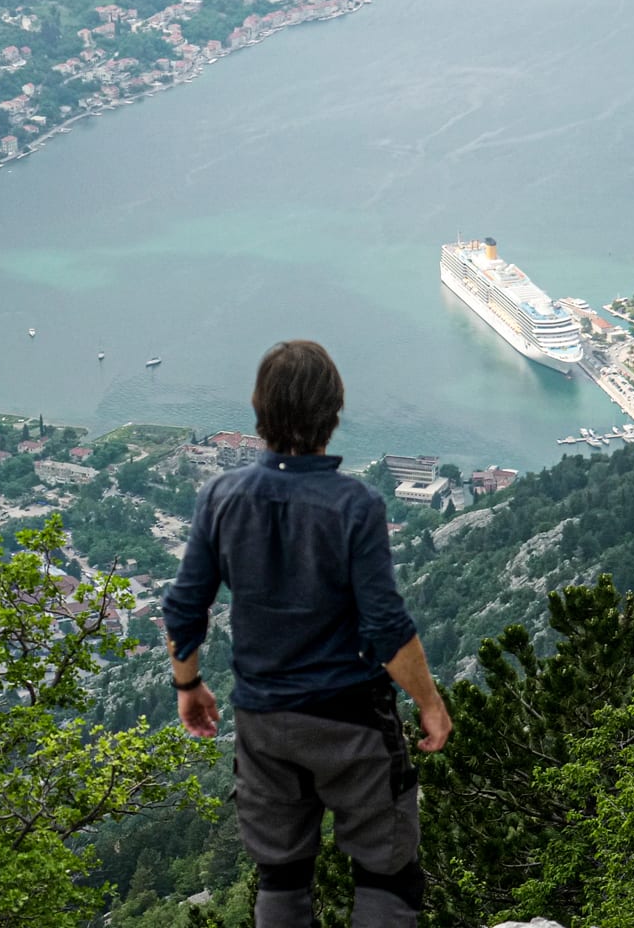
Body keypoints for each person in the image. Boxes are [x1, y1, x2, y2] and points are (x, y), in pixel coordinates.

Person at [162, 340, 452, 928]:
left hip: (265, 723)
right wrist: (430, 704)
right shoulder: (355, 506)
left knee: (283, 877)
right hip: (352, 723)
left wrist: (187, 684)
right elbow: (387, 628)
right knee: (388, 874)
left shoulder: (222, 498)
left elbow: (184, 605)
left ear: (258, 410)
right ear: (335, 411)